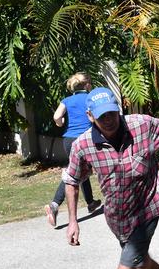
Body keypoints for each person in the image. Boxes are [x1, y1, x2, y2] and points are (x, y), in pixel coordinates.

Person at [63, 87, 159, 269]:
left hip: (147, 208)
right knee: (143, 263)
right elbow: (71, 181)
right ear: (90, 116)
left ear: (118, 108)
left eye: (111, 113)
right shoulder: (82, 146)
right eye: (102, 116)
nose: (109, 120)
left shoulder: (141, 125)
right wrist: (73, 221)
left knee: (127, 266)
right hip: (118, 217)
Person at [45, 73, 101, 227]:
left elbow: (57, 116)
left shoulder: (67, 100)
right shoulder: (90, 98)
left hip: (68, 140)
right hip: (85, 139)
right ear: (87, 85)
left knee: (79, 169)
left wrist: (60, 123)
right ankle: (54, 205)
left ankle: (90, 203)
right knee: (75, 174)